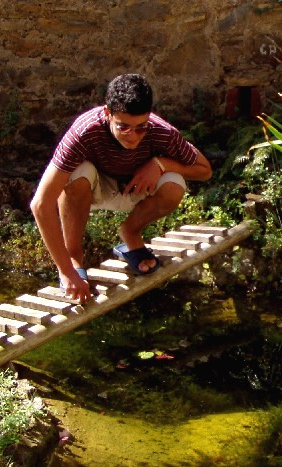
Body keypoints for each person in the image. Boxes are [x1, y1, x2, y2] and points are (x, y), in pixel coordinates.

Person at [30, 73, 213, 303]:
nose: (133, 136)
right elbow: (40, 204)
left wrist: (160, 164)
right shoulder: (83, 132)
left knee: (174, 183)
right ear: (108, 113)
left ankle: (130, 233)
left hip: (135, 188)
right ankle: (74, 260)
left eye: (141, 127)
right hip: (94, 189)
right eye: (123, 127)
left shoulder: (161, 131)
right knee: (76, 173)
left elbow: (204, 170)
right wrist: (65, 270)